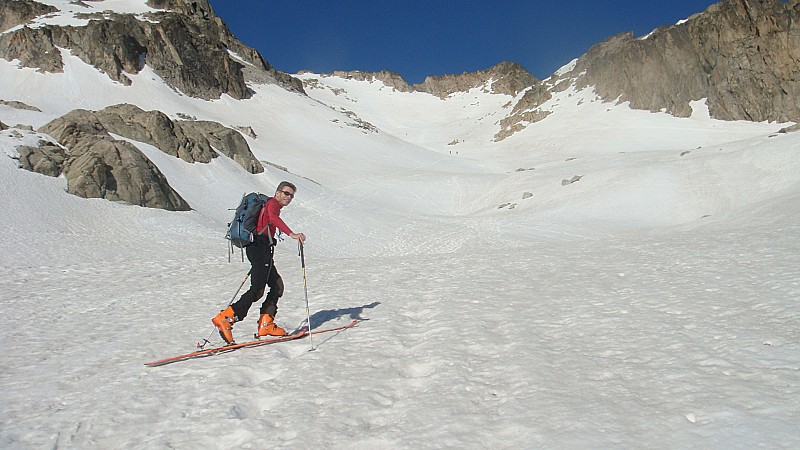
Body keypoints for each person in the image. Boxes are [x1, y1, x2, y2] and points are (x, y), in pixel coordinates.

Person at [212, 181, 307, 344]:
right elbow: (273, 218)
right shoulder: (272, 204)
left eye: (291, 195)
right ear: (278, 193)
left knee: (277, 286)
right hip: (258, 247)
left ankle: (266, 324)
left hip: (261, 248)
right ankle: (226, 317)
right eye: (286, 193)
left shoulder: (270, 204)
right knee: (257, 289)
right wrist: (291, 234)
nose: (289, 197)